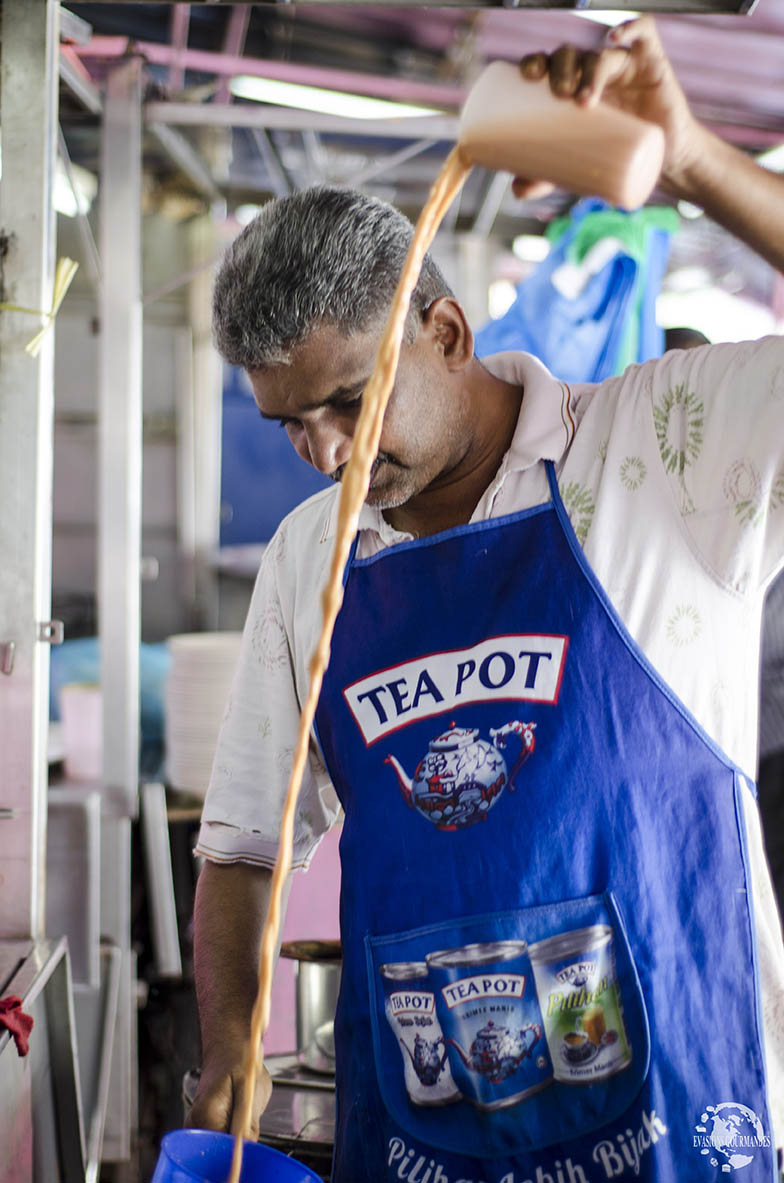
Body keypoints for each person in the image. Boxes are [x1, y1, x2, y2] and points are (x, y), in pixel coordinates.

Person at [189, 17, 784, 1182]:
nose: (323, 456)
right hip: (427, 1139)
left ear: (447, 331)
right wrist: (221, 1075)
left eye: (348, 405)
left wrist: (696, 160)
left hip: (685, 1114)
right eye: (287, 424)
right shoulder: (313, 554)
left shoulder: (662, 453)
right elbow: (246, 846)